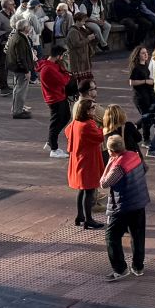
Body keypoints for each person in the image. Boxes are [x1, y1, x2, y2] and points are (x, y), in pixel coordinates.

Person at [99, 134, 149, 280]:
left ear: (111, 150)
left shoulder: (118, 166)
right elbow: (145, 169)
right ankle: (138, 266)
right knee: (138, 235)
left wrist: (109, 163)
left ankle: (120, 269)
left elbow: (104, 183)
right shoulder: (134, 155)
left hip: (123, 206)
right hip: (139, 201)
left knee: (112, 236)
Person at [65, 97, 104, 230]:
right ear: (86, 111)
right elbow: (99, 137)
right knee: (89, 190)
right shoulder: (88, 124)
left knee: (82, 190)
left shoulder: (76, 122)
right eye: (92, 107)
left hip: (78, 159)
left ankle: (80, 216)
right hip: (87, 161)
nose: (95, 109)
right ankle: (89, 219)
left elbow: (67, 131)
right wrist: (103, 129)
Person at [38, 44, 72, 157]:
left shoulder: (52, 65)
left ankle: (50, 142)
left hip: (59, 96)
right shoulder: (48, 68)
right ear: (58, 56)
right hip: (55, 98)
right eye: (62, 56)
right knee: (56, 123)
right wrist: (67, 75)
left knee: (66, 117)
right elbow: (63, 80)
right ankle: (54, 148)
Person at [6, 12, 35, 119]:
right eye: (29, 26)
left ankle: (17, 108)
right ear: (25, 28)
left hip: (17, 68)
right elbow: (21, 58)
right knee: (20, 90)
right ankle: (17, 111)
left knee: (18, 89)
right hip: (21, 69)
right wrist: (26, 70)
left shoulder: (16, 36)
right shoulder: (20, 39)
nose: (30, 28)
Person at [127, 45, 155, 136]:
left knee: (152, 114)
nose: (146, 54)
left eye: (146, 52)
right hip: (140, 96)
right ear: (138, 55)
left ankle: (135, 127)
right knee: (146, 116)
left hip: (149, 94)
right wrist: (145, 81)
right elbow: (131, 82)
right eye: (143, 53)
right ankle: (146, 139)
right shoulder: (135, 67)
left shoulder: (147, 65)